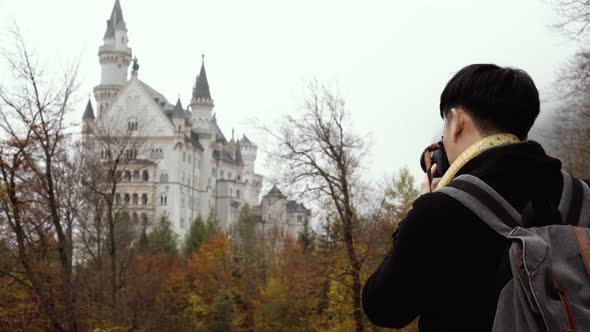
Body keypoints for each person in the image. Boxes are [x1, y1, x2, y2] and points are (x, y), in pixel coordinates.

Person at [362, 64, 566, 331]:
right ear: (524, 133)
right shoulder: (581, 195)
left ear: (456, 121)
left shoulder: (438, 213)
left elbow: (382, 308)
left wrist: (419, 212)